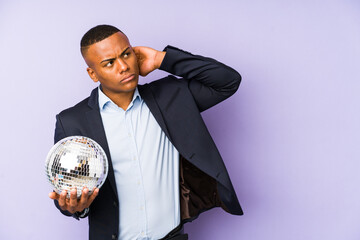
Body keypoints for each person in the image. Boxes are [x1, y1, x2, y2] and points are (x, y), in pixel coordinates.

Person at [48, 24, 243, 240]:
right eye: (109, 63)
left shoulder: (172, 98)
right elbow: (66, 191)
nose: (123, 66)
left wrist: (162, 59)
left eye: (126, 54)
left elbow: (227, 81)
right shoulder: (72, 121)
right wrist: (75, 208)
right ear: (93, 74)